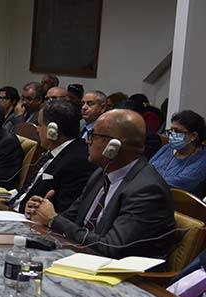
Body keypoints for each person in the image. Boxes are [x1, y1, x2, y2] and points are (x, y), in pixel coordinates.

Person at [27, 109, 175, 260]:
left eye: (94, 135)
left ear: (114, 146)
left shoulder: (146, 189)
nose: (87, 141)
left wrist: (54, 220)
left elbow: (111, 247)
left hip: (120, 270)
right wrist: (41, 212)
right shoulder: (101, 172)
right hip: (81, 256)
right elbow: (72, 216)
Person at [14, 100, 96, 214]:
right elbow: (29, 188)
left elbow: (64, 211)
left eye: (40, 125)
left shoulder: (77, 161)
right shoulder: (55, 151)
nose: (37, 130)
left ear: (52, 131)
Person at [149, 110, 206, 196]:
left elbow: (180, 183)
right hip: (149, 193)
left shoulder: (202, 159)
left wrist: (146, 180)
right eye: (171, 130)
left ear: (193, 136)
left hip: (175, 201)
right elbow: (147, 168)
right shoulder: (167, 148)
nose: (172, 135)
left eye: (177, 131)